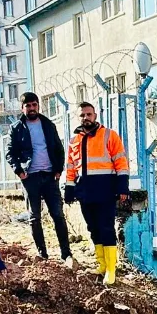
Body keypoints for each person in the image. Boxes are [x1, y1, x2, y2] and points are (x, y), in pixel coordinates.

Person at [64, 101, 129, 285]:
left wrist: (122, 186)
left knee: (106, 228)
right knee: (92, 228)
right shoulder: (74, 140)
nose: (86, 118)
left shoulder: (109, 135)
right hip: (85, 191)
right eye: (82, 115)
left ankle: (111, 269)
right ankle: (101, 264)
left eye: (89, 114)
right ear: (78, 118)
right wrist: (69, 188)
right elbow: (71, 167)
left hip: (105, 189)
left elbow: (121, 162)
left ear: (95, 116)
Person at [5, 91, 73, 265]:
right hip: (30, 177)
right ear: (23, 108)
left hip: (50, 177)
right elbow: (10, 153)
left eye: (34, 104)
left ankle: (66, 253)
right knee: (34, 217)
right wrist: (19, 171)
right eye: (28, 105)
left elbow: (59, 148)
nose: (32, 108)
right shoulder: (16, 128)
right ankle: (42, 254)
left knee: (57, 215)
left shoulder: (48, 124)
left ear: (38, 106)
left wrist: (58, 169)